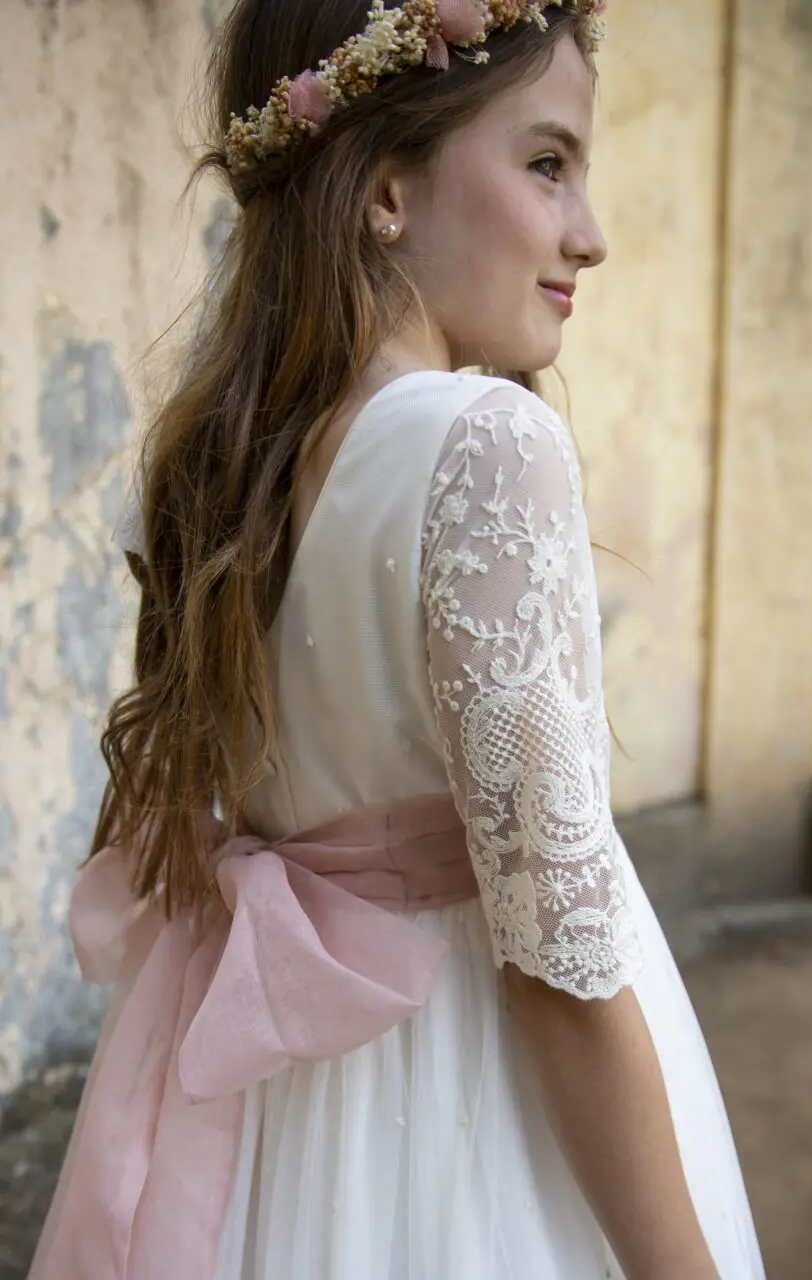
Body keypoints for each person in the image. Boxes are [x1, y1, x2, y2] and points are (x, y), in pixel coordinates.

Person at [29, 3, 766, 1278]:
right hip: (470, 1100)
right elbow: (558, 976)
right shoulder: (486, 441)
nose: (586, 235)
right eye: (545, 164)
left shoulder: (239, 464)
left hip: (295, 1117)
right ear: (383, 190)